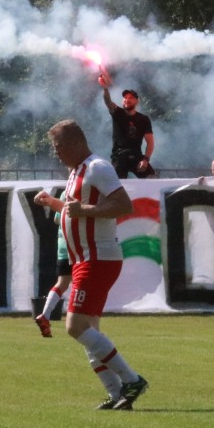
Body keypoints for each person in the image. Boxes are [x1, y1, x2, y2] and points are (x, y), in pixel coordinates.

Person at [46, 119, 149, 410]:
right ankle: (117, 394)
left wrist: (86, 210)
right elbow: (72, 212)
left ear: (77, 143)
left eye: (59, 146)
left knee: (74, 325)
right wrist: (54, 206)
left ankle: (132, 380)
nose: (57, 152)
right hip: (84, 259)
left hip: (98, 257)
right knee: (89, 330)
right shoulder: (75, 172)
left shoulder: (97, 168)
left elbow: (124, 205)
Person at [98, 69, 155, 178]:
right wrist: (105, 88)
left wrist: (146, 159)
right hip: (119, 156)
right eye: (125, 97)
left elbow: (150, 142)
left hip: (137, 156)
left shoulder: (144, 119)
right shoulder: (117, 112)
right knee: (117, 185)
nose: (127, 100)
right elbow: (108, 102)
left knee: (152, 178)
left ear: (136, 101)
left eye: (130, 98)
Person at [29, 189, 70, 338]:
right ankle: (84, 318)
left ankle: (45, 315)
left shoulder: (65, 192)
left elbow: (56, 220)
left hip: (63, 246)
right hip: (78, 246)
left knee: (62, 283)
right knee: (84, 282)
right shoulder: (82, 191)